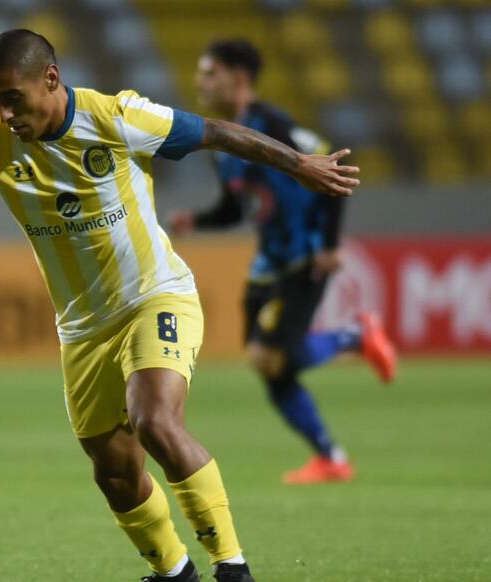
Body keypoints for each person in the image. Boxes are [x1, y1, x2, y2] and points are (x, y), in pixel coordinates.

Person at [0, 29, 359, 582]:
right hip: (82, 329)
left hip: (156, 298)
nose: (3, 112)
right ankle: (171, 574)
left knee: (155, 420)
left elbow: (216, 133)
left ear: (50, 79)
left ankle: (232, 568)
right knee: (114, 469)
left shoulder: (117, 117)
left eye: (12, 97)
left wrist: (297, 164)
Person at [167, 39, 397, 485]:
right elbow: (238, 208)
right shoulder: (225, 138)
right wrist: (196, 219)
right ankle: (330, 456)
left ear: (238, 78)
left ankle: (356, 334)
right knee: (270, 366)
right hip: (267, 264)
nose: (199, 81)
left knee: (268, 357)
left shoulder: (274, 125)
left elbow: (332, 168)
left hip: (304, 257)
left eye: (208, 72)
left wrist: (329, 244)